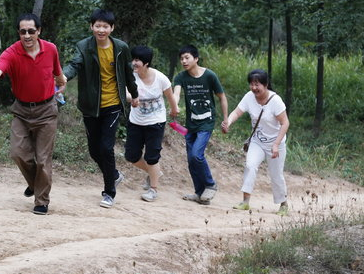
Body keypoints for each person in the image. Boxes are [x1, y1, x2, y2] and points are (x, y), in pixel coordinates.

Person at [0, 13, 66, 215]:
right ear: (18, 33)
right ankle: (35, 183)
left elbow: (57, 73)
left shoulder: (51, 49)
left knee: (43, 159)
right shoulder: (12, 52)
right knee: (18, 153)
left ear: (39, 31)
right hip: (21, 111)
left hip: (46, 110)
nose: (27, 35)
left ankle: (41, 201)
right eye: (22, 31)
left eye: (31, 31)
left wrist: (62, 81)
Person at [63, 9, 139, 209]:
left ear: (112, 28)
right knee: (94, 151)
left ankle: (109, 192)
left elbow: (128, 75)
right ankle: (113, 175)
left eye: (105, 26)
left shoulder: (121, 48)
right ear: (91, 27)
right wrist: (63, 76)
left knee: (106, 148)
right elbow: (74, 65)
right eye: (98, 25)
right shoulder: (84, 46)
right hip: (90, 106)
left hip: (113, 105)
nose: (101, 29)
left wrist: (135, 94)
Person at [221, 69, 290, 215]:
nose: (254, 88)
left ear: (265, 85)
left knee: (276, 174)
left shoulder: (275, 101)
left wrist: (276, 144)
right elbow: (237, 112)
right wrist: (228, 122)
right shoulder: (249, 97)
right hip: (257, 141)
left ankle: (283, 204)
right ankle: (245, 202)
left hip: (275, 142)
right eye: (251, 84)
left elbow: (285, 123)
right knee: (250, 166)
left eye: (257, 84)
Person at [173, 44, 228, 205]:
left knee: (197, 154)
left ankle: (210, 184)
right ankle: (200, 193)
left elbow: (222, 97)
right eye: (181, 58)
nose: (184, 61)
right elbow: (176, 93)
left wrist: (225, 119)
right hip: (191, 124)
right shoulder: (181, 77)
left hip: (206, 122)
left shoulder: (209, 75)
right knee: (191, 160)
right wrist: (174, 105)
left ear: (196, 58)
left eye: (187, 57)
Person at [124, 46, 179, 202]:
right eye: (133, 59)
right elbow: (126, 92)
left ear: (146, 63)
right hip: (135, 122)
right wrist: (131, 99)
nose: (134, 63)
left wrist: (174, 109)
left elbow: (170, 96)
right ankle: (155, 173)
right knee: (131, 156)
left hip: (156, 122)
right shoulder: (131, 76)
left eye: (137, 60)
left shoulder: (160, 78)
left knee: (152, 157)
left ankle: (153, 189)